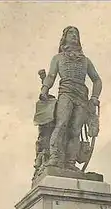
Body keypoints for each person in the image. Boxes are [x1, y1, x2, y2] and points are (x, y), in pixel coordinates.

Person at [39, 26, 102, 170]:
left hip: (81, 96)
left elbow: (97, 80)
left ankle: (70, 162)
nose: (74, 36)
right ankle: (55, 157)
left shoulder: (85, 61)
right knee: (61, 124)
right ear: (64, 37)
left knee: (76, 130)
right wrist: (44, 89)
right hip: (66, 93)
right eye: (71, 33)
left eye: (76, 34)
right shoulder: (58, 58)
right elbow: (50, 76)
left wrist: (94, 97)